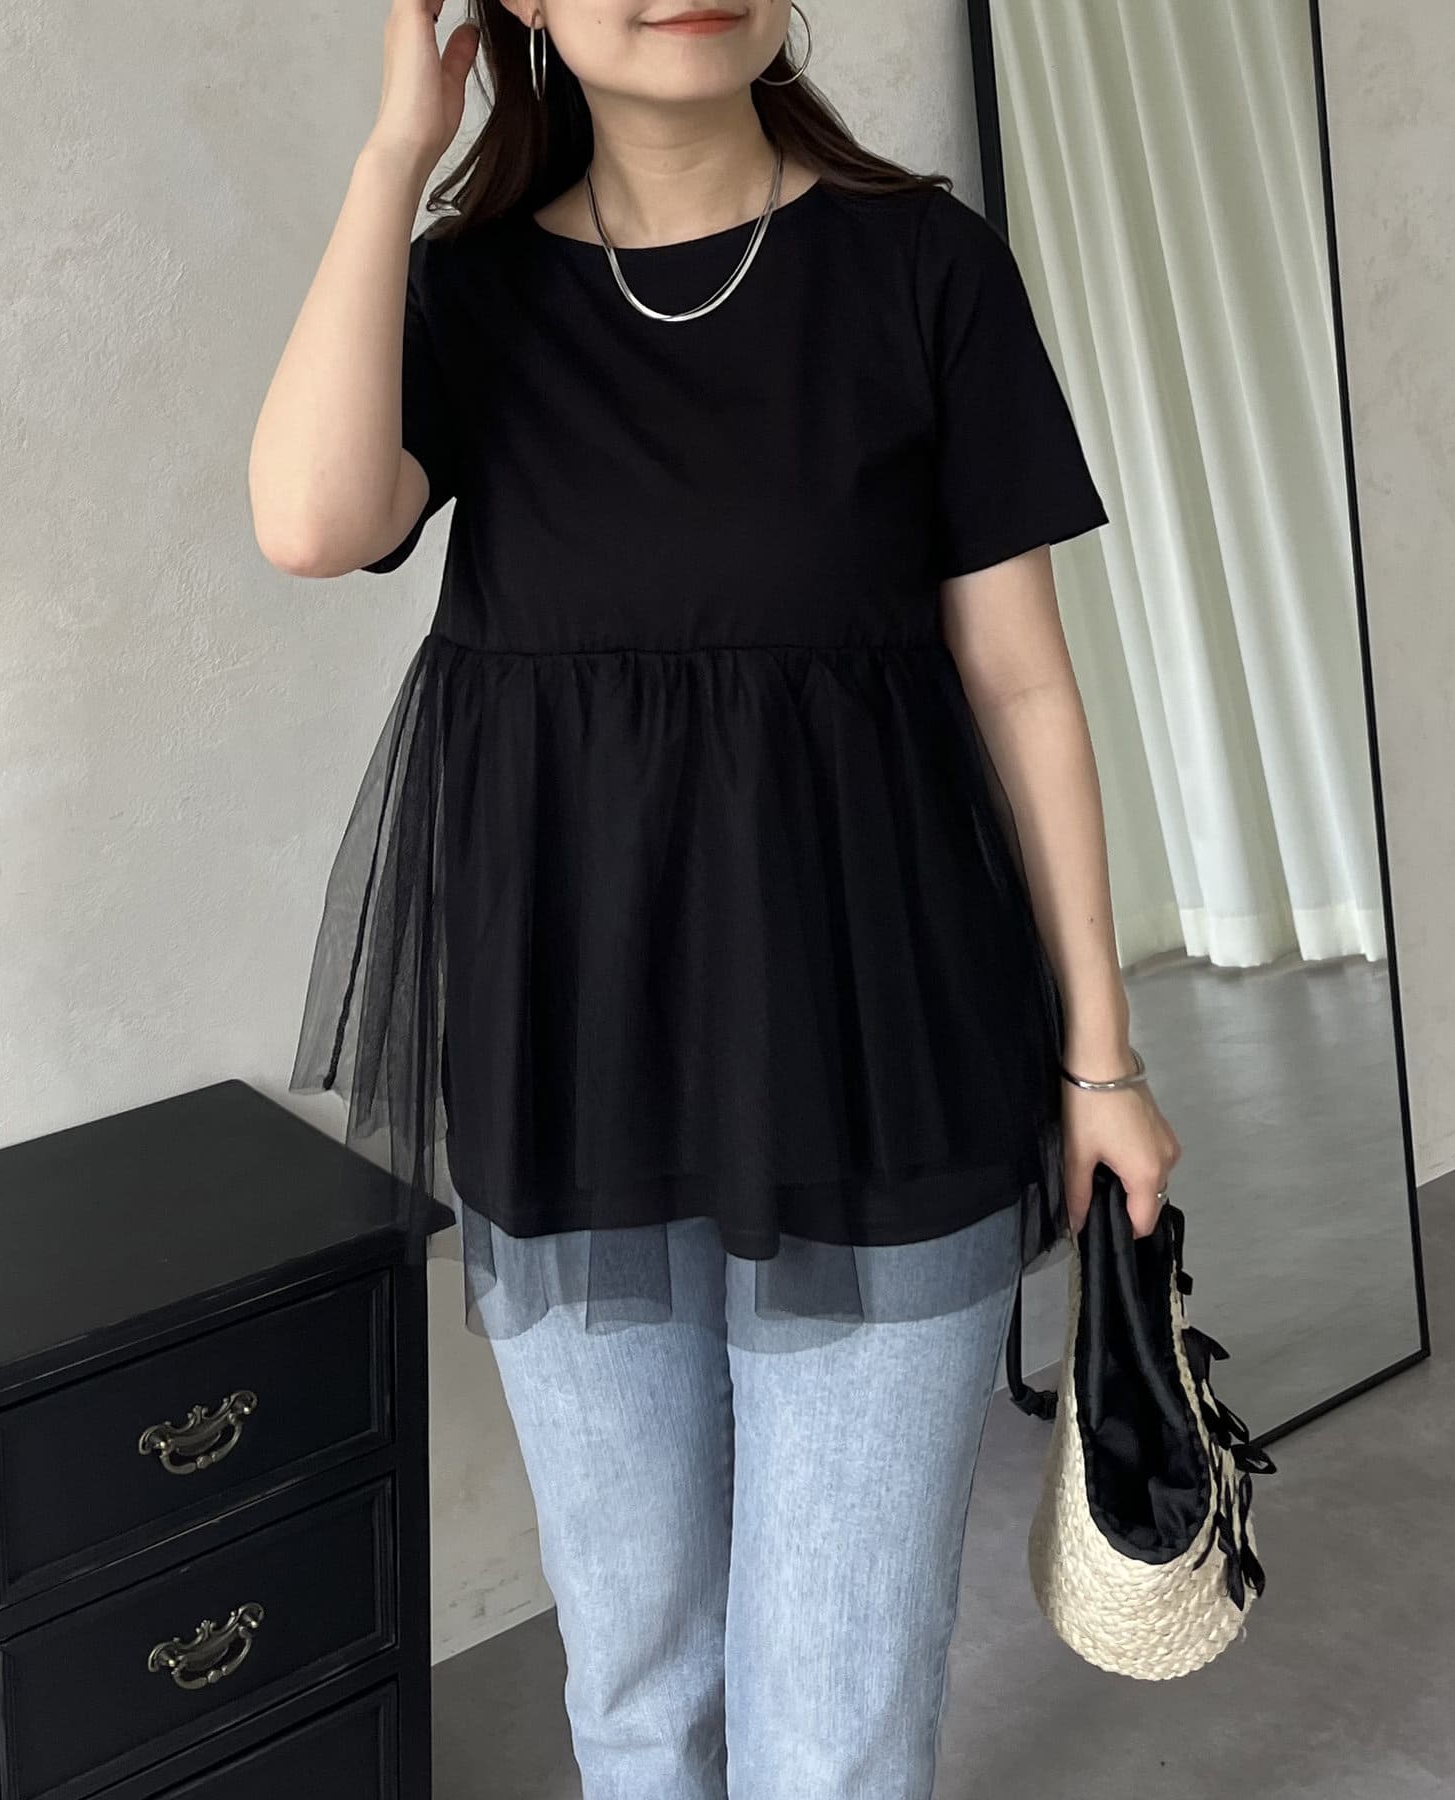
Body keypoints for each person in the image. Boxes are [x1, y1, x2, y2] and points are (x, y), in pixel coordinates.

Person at [251, 2, 1182, 1794]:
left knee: (835, 1716)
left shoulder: (924, 267)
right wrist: (395, 152)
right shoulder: (471, 295)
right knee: (640, 1684)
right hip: (570, 1056)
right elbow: (310, 521)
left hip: (882, 1048)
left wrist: (1102, 1059)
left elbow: (1023, 687)